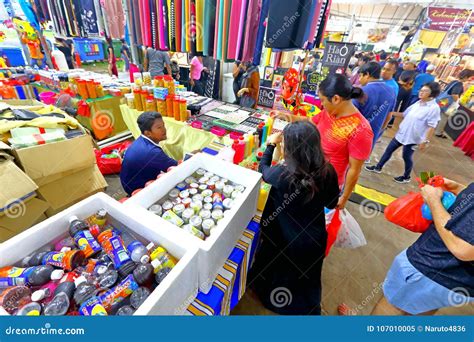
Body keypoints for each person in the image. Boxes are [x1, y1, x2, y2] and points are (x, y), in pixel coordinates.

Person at [249, 121, 340, 315]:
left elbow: (263, 169)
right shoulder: (327, 170)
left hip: (285, 239)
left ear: (290, 149)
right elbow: (332, 203)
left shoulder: (282, 174)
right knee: (305, 278)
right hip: (314, 238)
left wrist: (271, 144)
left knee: (280, 274)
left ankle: (277, 304)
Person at [371, 178, 474, 315]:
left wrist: (433, 201)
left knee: (392, 309)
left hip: (431, 268)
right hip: (457, 281)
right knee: (418, 312)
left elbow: (463, 248)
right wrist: (460, 189)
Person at [275, 74, 374, 208]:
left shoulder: (361, 129)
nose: (321, 104)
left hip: (326, 185)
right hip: (308, 177)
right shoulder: (329, 112)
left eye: (322, 100)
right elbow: (311, 122)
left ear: (336, 99)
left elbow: (354, 170)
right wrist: (288, 117)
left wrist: (344, 198)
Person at [365, 82, 441, 184]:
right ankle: (378, 167)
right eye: (421, 90)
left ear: (432, 94)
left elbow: (432, 126)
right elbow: (404, 114)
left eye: (425, 91)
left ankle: (406, 176)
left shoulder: (434, 108)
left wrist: (425, 141)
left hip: (414, 138)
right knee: (389, 150)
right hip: (402, 133)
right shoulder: (418, 103)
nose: (421, 92)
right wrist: (389, 112)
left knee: (406, 157)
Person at [120, 112, 177, 195]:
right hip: (137, 189)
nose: (164, 129)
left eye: (163, 125)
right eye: (159, 128)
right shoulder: (152, 152)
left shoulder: (141, 140)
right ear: (148, 133)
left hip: (128, 182)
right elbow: (176, 167)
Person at [354, 62, 396, 145]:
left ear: (367, 75)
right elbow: (389, 115)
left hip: (356, 137)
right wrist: (379, 131)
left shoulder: (360, 92)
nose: (359, 79)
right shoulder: (391, 91)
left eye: (360, 76)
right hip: (372, 137)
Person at [435, 69, 474, 138]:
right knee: (445, 117)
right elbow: (454, 94)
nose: (470, 79)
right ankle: (438, 132)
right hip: (450, 103)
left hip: (444, 100)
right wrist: (457, 101)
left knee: (441, 115)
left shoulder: (454, 81)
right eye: (470, 77)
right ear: (466, 77)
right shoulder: (459, 84)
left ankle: (436, 129)